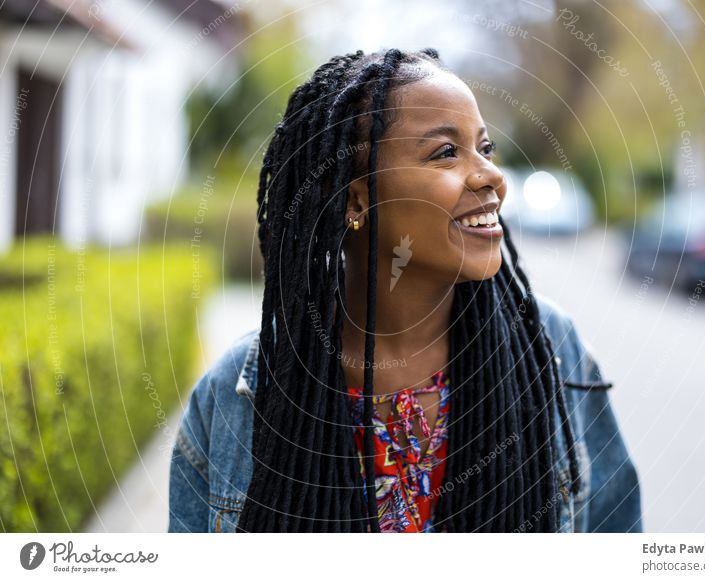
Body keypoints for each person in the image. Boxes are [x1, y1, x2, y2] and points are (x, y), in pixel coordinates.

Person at [167, 47, 642, 533]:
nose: (492, 176)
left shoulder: (553, 353)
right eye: (445, 153)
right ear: (356, 199)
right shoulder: (236, 397)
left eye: (485, 148)